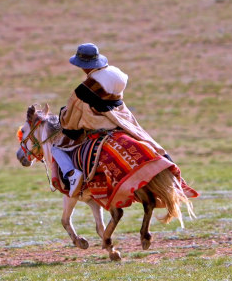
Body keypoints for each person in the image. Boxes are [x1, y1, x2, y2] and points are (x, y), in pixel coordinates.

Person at [52, 43, 168, 197]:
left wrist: (63, 117)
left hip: (98, 126)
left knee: (57, 147)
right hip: (120, 121)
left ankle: (72, 175)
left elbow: (72, 118)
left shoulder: (84, 89)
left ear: (83, 65)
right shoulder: (116, 76)